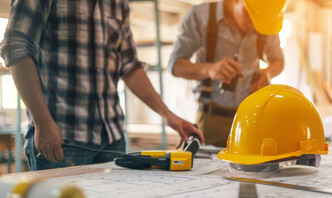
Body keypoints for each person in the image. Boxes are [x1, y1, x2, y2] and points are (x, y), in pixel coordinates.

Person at [0, 0, 204, 170]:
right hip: (61, 138)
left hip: (112, 139)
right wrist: (42, 123)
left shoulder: (117, 3)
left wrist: (168, 115)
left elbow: (129, 65)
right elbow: (16, 47)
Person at [168, 0, 286, 147]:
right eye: (250, 17)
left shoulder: (266, 21)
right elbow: (175, 66)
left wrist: (267, 73)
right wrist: (210, 70)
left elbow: (278, 61)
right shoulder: (200, 17)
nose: (255, 26)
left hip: (250, 120)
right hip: (211, 120)